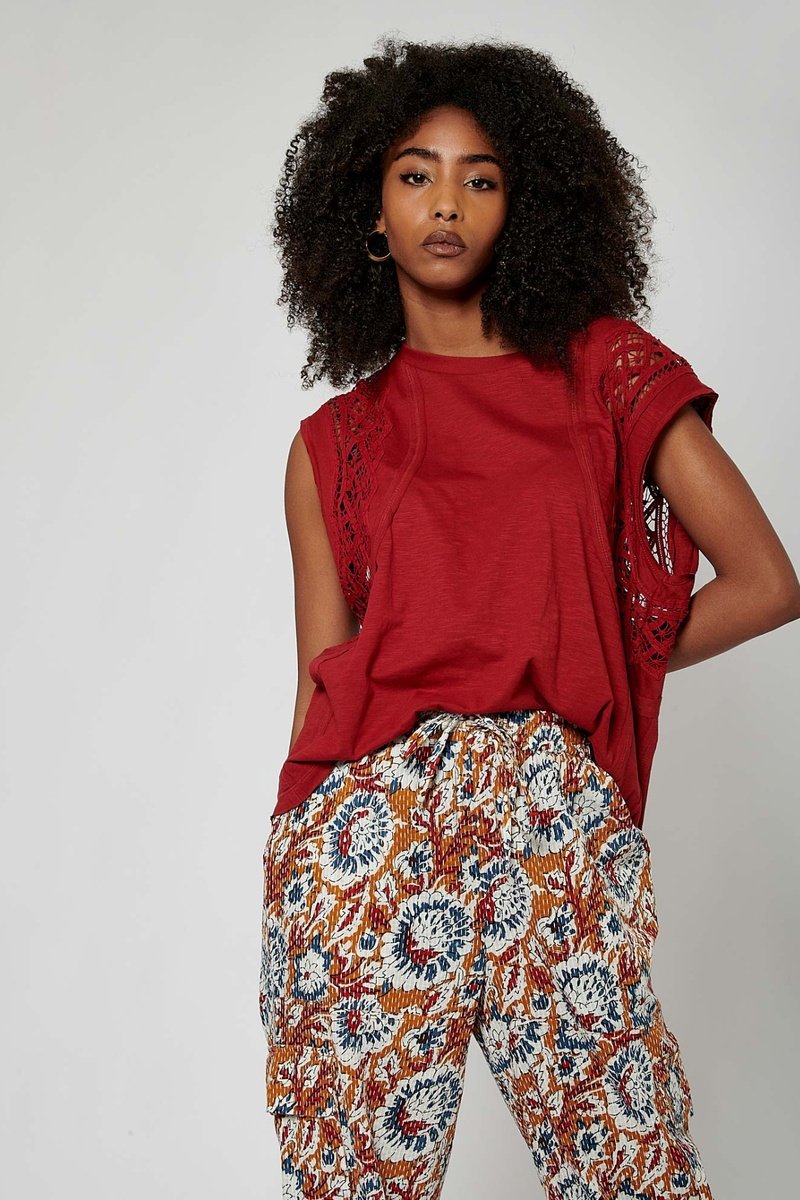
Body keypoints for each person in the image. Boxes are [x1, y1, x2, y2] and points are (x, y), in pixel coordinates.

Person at [259, 36, 800, 1200]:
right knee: (355, 1186)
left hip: (553, 822)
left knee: (631, 1168)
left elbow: (766, 579)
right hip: (360, 838)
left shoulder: (605, 374)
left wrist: (598, 644)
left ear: (525, 208)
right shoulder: (330, 446)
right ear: (369, 213)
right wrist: (297, 860)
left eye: (481, 177)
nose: (445, 202)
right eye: (414, 174)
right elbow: (321, 681)